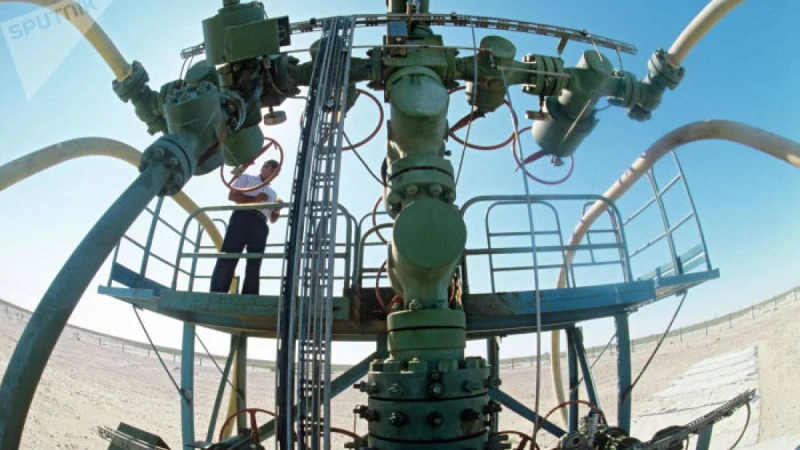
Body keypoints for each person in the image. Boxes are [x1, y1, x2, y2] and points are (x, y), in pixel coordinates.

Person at [210, 159, 282, 295]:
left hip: (261, 223)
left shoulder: (272, 193)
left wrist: (277, 210)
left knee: (255, 261)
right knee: (228, 256)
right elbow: (232, 196)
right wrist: (255, 200)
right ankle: (217, 293)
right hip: (241, 218)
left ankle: (250, 296)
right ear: (263, 167)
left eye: (277, 173)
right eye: (272, 169)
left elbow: (272, 219)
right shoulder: (247, 178)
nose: (274, 174)